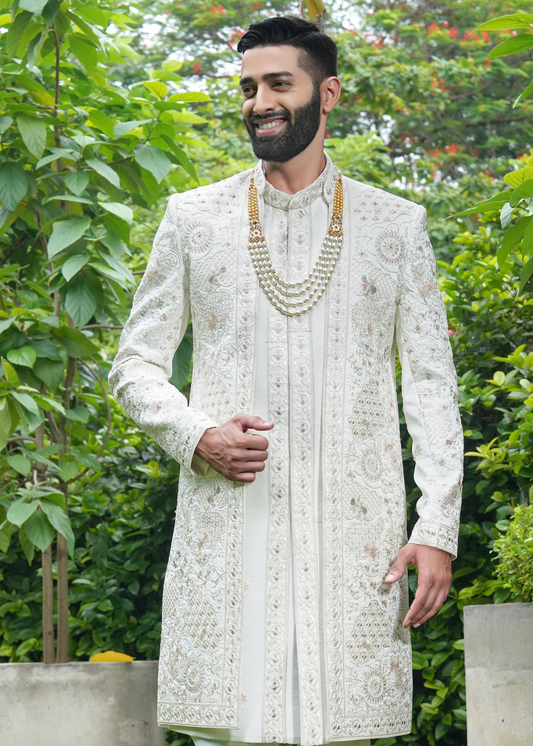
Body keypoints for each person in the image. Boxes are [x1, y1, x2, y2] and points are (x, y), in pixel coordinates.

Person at [109, 16, 463, 746]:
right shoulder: (192, 219)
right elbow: (133, 364)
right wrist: (194, 433)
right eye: (246, 87)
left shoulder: (395, 226)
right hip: (230, 536)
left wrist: (437, 529)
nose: (257, 101)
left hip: (356, 545)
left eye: (277, 83)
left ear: (326, 93)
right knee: (227, 730)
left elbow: (430, 387)